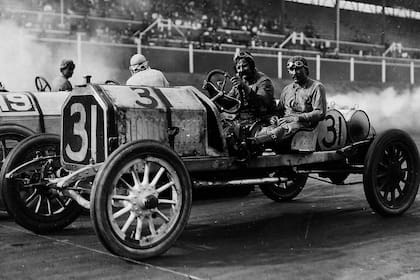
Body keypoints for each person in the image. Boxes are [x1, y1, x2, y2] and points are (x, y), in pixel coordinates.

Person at [249, 55, 327, 150]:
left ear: (305, 69)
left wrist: (297, 118)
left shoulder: (316, 87)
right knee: (266, 130)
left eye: (298, 69)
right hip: (285, 123)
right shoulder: (287, 89)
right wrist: (274, 118)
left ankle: (255, 142)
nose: (294, 73)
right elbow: (279, 110)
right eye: (291, 70)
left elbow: (320, 113)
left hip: (303, 126)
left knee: (281, 130)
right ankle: (254, 143)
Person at [222, 51, 277, 157]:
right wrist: (213, 92)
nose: (242, 70)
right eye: (239, 68)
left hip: (260, 120)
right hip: (241, 121)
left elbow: (262, 103)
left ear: (251, 66)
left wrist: (244, 87)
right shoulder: (240, 82)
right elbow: (229, 103)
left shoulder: (263, 82)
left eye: (245, 66)